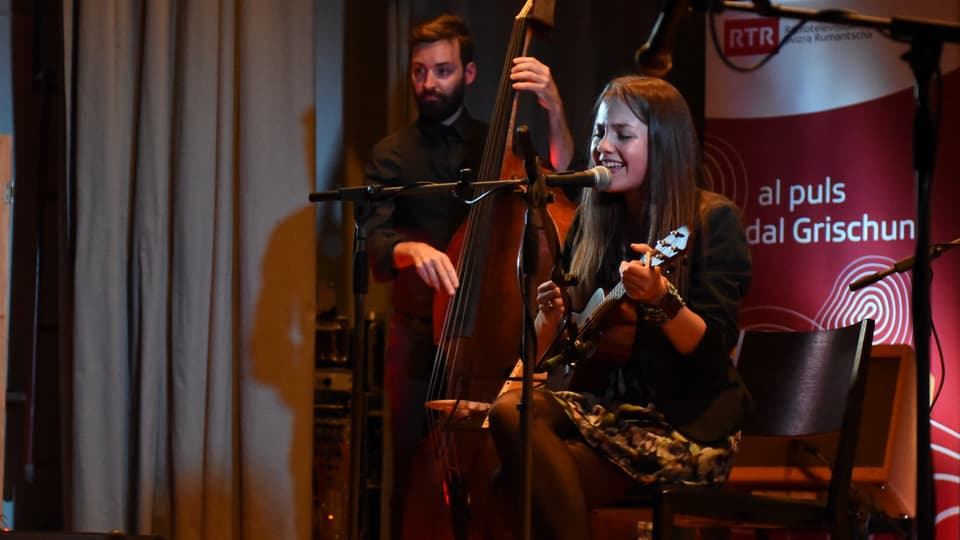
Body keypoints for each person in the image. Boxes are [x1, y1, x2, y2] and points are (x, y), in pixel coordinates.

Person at [487, 75, 753, 540]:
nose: (603, 146)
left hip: (686, 428)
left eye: (623, 135)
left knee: (512, 488)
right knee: (512, 419)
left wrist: (661, 298)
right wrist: (537, 341)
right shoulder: (594, 226)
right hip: (610, 415)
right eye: (598, 132)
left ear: (665, 145)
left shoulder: (712, 219)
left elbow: (713, 355)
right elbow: (560, 334)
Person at [363, 12, 578, 539]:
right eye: (419, 72)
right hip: (417, 336)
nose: (428, 83)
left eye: (441, 71)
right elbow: (374, 235)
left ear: (471, 73)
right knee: (412, 466)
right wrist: (412, 248)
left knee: (499, 469)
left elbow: (560, 177)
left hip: (490, 340)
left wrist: (553, 108)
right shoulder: (391, 153)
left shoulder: (494, 147)